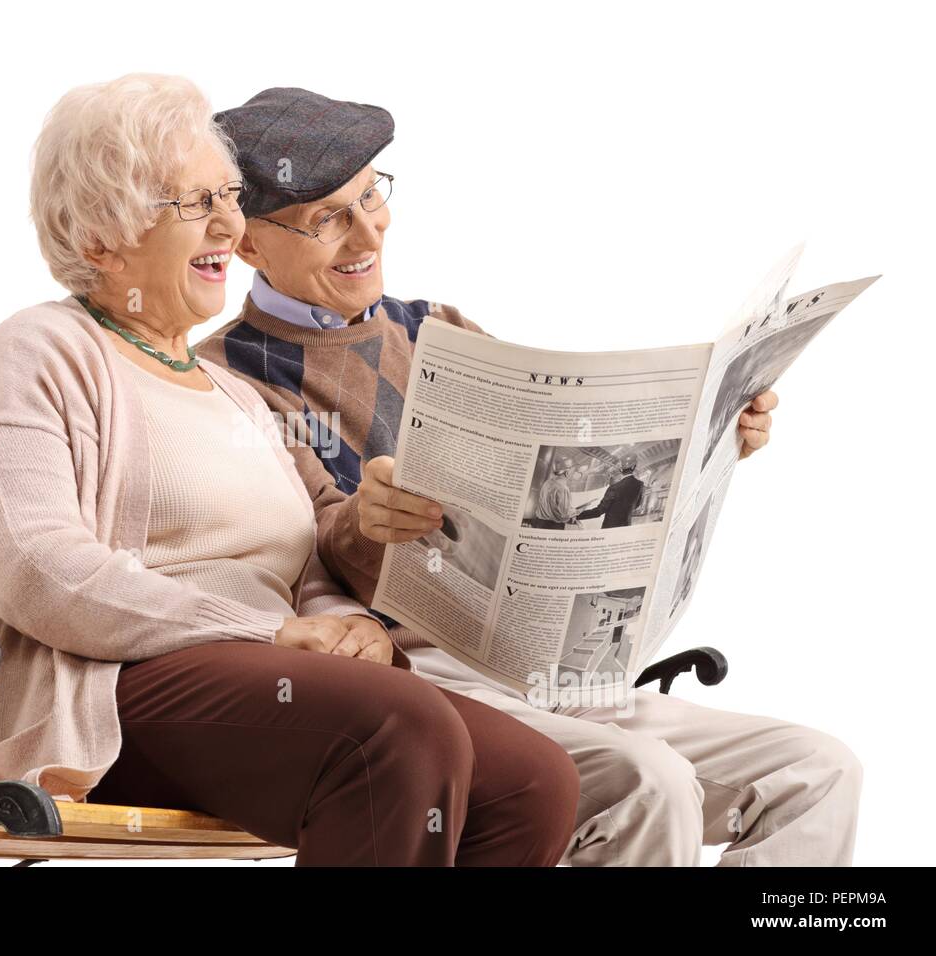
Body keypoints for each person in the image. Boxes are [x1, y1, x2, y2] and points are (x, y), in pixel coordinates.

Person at [196, 86, 862, 866]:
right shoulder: (228, 378)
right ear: (246, 244)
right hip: (422, 674)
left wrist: (715, 441)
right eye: (326, 217)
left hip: (553, 664)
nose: (367, 231)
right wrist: (365, 522)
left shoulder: (435, 328)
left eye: (372, 195)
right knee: (652, 783)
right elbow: (301, 555)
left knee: (820, 771)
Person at [0, 74, 579, 866]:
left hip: (261, 681)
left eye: (229, 197)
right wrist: (268, 633)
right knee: (394, 730)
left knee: (533, 780)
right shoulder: (38, 355)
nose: (228, 225)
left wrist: (351, 631)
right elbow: (39, 570)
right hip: (109, 690)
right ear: (98, 236)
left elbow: (301, 559)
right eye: (192, 203)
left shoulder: (232, 391)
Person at [576, 455, 646, 529]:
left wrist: (576, 515)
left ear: (620, 469)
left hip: (610, 527)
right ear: (634, 467)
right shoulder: (640, 485)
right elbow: (637, 505)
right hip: (626, 526)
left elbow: (599, 511)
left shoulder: (614, 488)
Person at [531, 456, 580, 529]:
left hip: (539, 523)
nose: (574, 473)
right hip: (552, 526)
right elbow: (564, 514)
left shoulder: (547, 482)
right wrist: (576, 511)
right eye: (574, 470)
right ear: (567, 471)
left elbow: (551, 506)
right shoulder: (563, 488)